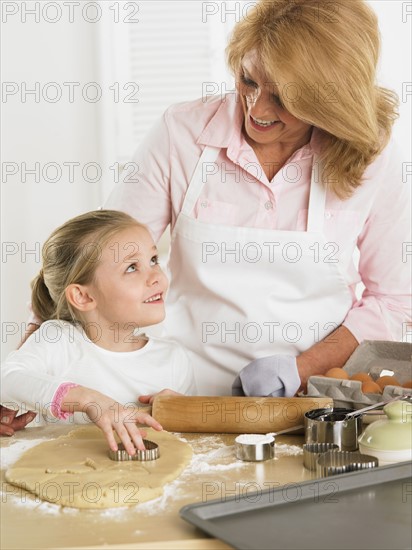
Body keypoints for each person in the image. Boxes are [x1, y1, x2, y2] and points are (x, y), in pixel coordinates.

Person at [19, 0, 412, 399]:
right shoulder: (184, 134)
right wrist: (33, 371)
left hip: (311, 399)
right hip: (180, 395)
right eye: (248, 80)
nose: (256, 108)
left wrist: (298, 370)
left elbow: (394, 301)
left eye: (283, 99)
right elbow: (99, 257)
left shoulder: (370, 155)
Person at [1, 210, 196, 452]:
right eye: (132, 267)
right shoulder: (58, 340)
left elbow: (189, 447)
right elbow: (6, 380)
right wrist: (89, 400)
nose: (156, 276)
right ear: (83, 296)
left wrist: (182, 412)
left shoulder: (173, 360)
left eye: (153, 260)